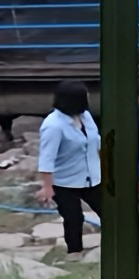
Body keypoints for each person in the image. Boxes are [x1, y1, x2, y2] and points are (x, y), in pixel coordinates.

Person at [36, 81, 102, 261]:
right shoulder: (53, 125)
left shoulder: (86, 117)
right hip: (64, 181)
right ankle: (74, 252)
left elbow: (95, 141)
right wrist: (47, 187)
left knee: (109, 210)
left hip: (92, 177)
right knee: (73, 217)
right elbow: (47, 158)